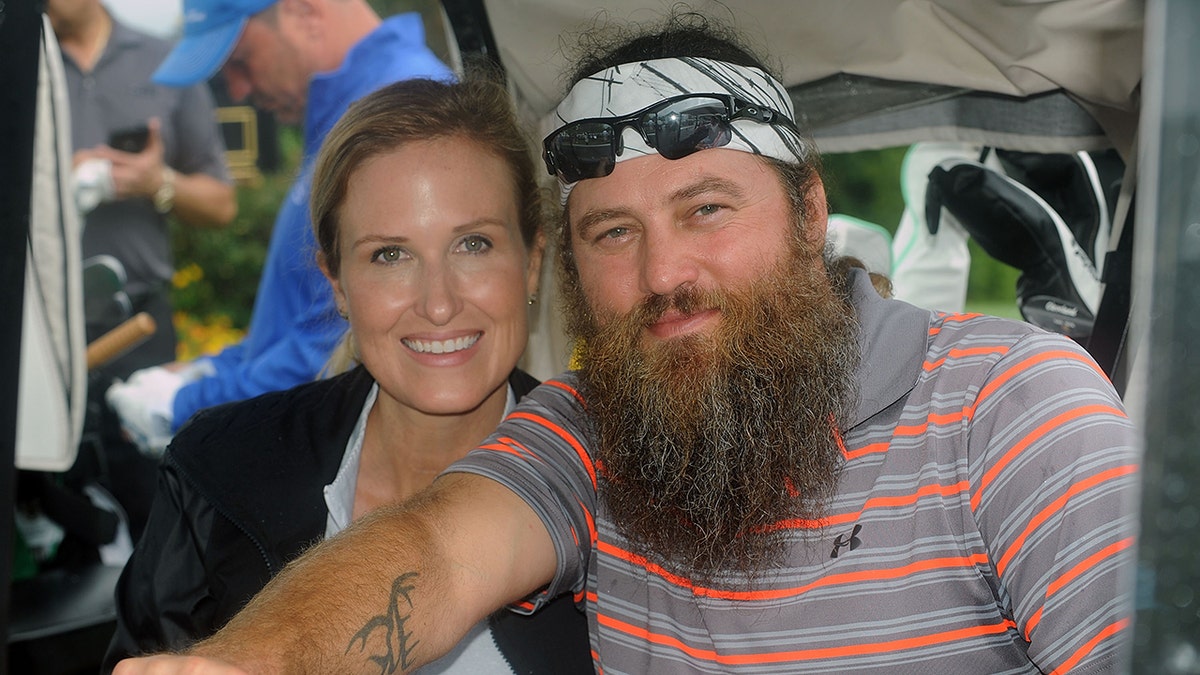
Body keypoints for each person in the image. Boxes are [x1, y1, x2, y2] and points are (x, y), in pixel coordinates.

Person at [114, 13, 1140, 675]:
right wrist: (245, 667)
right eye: (614, 233)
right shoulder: (596, 427)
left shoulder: (1011, 404)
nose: (662, 275)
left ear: (809, 211)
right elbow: (431, 547)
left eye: (705, 209)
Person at [101, 76, 591, 674]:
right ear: (335, 282)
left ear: (533, 262)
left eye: (474, 245)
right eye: (390, 255)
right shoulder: (218, 473)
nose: (438, 303)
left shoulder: (627, 491)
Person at [104, 0, 454, 457]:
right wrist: (211, 370)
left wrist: (189, 403)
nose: (237, 88)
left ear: (304, 13)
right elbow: (305, 315)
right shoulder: (349, 109)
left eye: (242, 62)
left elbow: (343, 341)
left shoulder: (398, 113)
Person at [47, 0, 238, 378]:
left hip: (139, 326)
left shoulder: (166, 62)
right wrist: (53, 186)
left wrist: (157, 183)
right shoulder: (18, 65)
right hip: (41, 320)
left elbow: (222, 205)